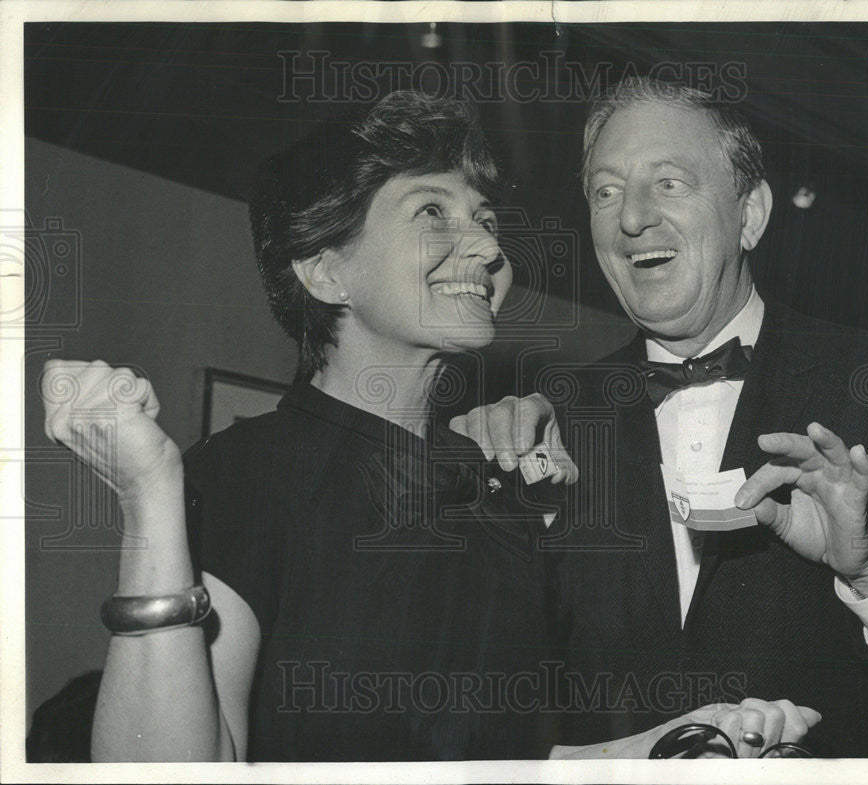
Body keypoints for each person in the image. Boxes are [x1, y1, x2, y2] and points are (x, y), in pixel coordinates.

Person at [40, 90, 818, 762]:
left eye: (482, 218)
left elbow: (505, 761)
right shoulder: (241, 474)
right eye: (432, 214)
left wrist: (674, 740)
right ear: (323, 270)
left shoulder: (503, 494)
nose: (485, 247)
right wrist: (150, 495)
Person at [451, 78, 868, 757]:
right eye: (606, 191)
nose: (631, 217)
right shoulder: (553, 422)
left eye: (668, 183)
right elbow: (487, 701)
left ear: (750, 214)